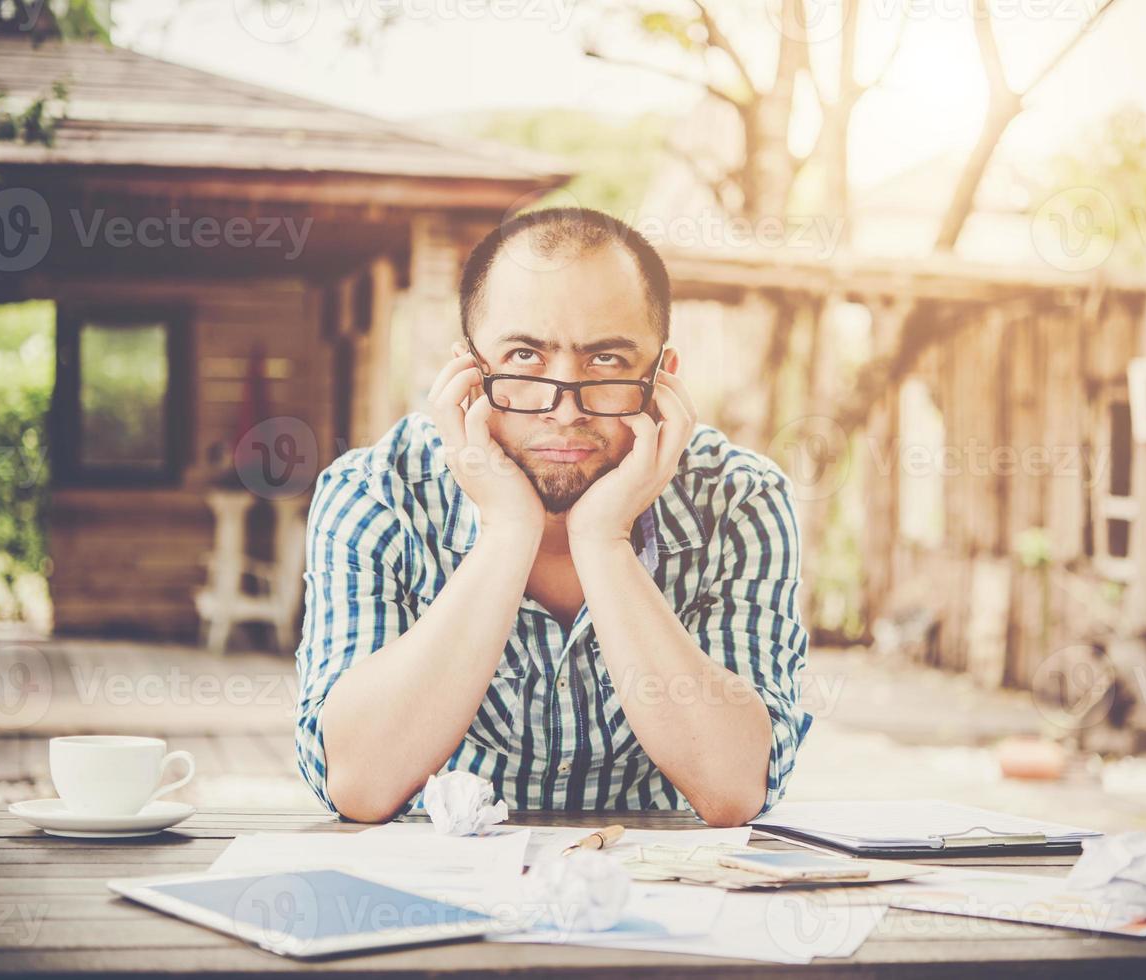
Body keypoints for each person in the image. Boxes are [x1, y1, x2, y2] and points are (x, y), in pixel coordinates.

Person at [295, 207, 810, 827]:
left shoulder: (739, 502)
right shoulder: (376, 495)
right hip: (439, 897)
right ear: (466, 372)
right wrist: (508, 534)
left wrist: (604, 541)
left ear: (662, 378)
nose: (562, 411)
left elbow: (733, 787)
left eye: (607, 361)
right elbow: (358, 781)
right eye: (524, 356)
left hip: (662, 895)